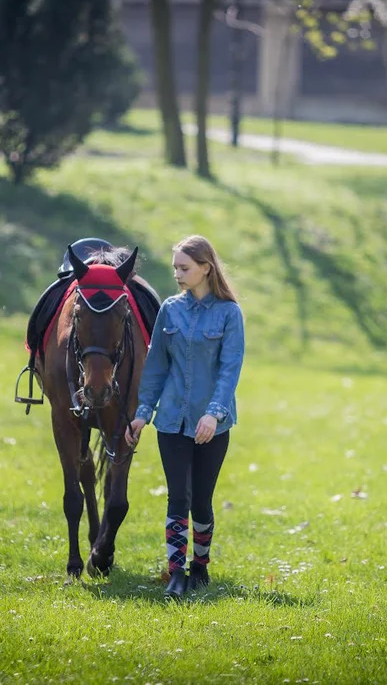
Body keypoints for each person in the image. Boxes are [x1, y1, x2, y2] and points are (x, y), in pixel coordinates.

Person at [125, 235, 246, 599]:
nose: (177, 274)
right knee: (178, 496)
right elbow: (157, 366)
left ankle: (201, 567)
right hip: (172, 421)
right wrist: (143, 413)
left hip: (214, 424)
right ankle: (176, 574)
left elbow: (230, 369)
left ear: (205, 268)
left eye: (184, 268)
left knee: (201, 501)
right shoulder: (169, 310)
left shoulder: (229, 313)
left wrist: (213, 413)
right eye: (175, 267)